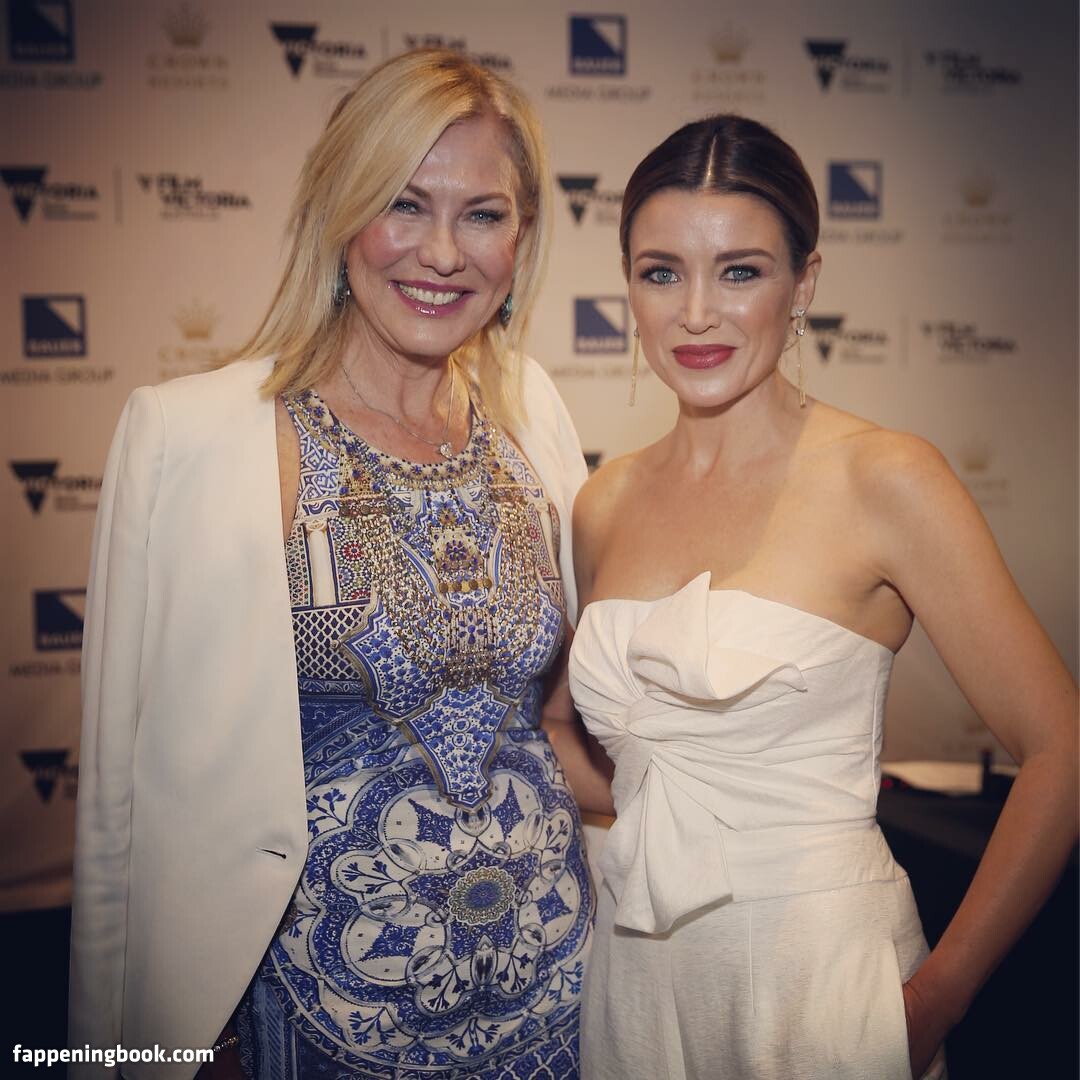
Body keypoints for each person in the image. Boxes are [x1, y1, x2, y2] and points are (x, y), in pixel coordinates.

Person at [69, 49, 594, 1080]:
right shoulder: (191, 436)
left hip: (555, 1009)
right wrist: (127, 1052)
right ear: (338, 211)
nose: (442, 252)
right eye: (404, 203)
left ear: (521, 236)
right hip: (300, 1027)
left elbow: (565, 721)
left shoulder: (533, 412)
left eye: (482, 215)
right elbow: (117, 804)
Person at [568, 114, 1078, 1080]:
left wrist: (935, 1001)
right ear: (628, 284)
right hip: (634, 987)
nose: (697, 314)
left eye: (741, 271)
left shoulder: (886, 478)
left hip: (821, 992)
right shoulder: (604, 503)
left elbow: (1062, 750)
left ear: (803, 284)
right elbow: (602, 753)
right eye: (662, 272)